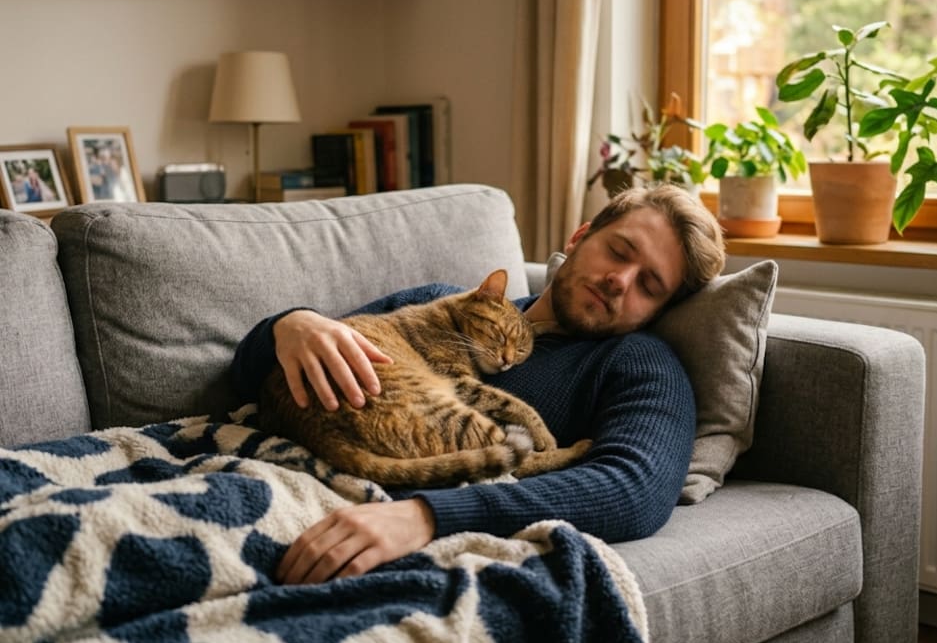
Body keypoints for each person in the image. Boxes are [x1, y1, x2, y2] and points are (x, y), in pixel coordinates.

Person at [230, 185, 725, 585]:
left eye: (648, 286)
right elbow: (248, 378)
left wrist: (427, 516)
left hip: (393, 515)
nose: (620, 279)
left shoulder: (640, 362)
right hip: (280, 471)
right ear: (579, 237)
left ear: (658, 311)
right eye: (618, 251)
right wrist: (289, 325)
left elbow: (634, 491)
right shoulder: (444, 304)